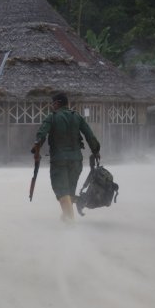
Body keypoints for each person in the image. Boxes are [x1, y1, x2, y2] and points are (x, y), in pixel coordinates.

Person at [31, 92, 100, 222]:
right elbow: (90, 135)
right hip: (76, 161)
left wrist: (36, 153)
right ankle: (66, 217)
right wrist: (96, 151)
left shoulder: (52, 117)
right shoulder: (77, 117)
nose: (52, 106)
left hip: (59, 161)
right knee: (69, 192)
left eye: (52, 104)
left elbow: (40, 136)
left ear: (57, 103)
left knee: (62, 192)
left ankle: (71, 225)